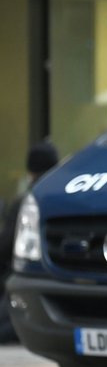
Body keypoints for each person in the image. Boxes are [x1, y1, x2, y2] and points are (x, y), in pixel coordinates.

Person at [0, 141, 59, 343]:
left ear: (30, 171)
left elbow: (5, 247)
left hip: (22, 280)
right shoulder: (58, 200)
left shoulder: (26, 201)